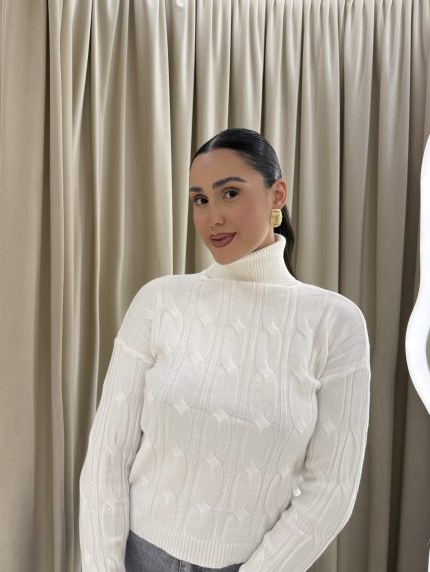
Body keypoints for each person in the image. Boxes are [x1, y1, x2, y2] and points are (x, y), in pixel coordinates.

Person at [79, 128, 371, 571]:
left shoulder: (335, 324)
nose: (212, 217)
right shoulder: (160, 302)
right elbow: (107, 456)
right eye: (200, 200)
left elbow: (331, 489)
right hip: (137, 557)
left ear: (277, 195)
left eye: (229, 193)